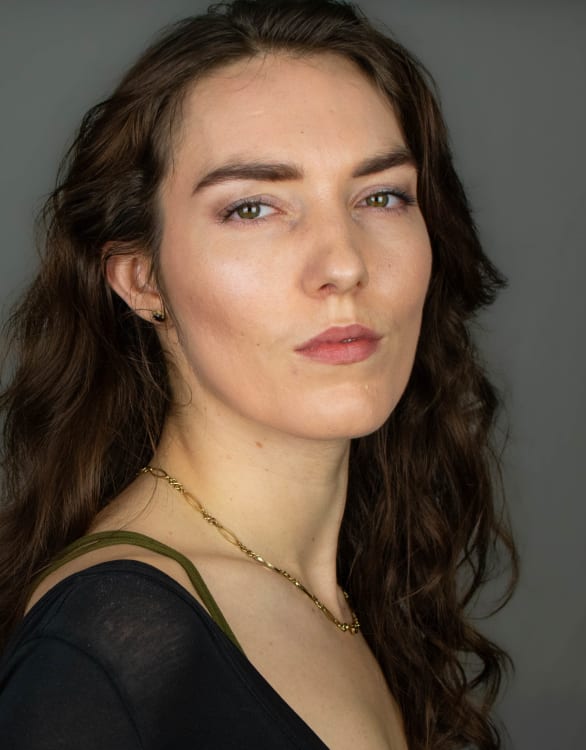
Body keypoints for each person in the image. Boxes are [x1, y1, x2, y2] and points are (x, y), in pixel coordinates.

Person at [0, 1, 518, 748]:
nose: (344, 264)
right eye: (253, 208)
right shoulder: (100, 654)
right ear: (142, 278)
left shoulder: (353, 591)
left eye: (381, 196)